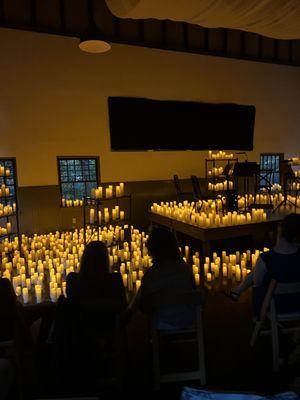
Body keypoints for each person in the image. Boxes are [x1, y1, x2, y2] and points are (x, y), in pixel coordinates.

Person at [229, 213, 300, 318]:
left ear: (280, 231)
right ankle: (238, 290)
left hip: (273, 307)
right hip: (298, 305)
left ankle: (238, 290)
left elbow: (257, 284)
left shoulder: (266, 259)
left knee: (259, 275)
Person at [129, 227, 197, 330]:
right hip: (188, 319)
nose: (146, 244)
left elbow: (142, 304)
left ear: (155, 247)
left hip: (164, 323)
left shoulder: (152, 274)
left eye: (149, 241)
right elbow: (193, 289)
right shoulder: (185, 268)